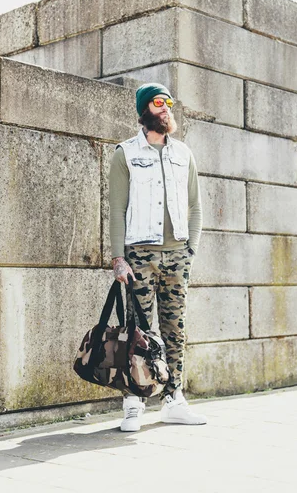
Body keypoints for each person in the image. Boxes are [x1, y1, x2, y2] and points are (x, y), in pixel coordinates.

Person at [109, 82, 207, 431]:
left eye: (168, 102)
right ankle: (134, 402)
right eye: (157, 102)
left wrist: (190, 249)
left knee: (174, 330)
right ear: (144, 110)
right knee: (138, 331)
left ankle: (173, 398)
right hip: (139, 255)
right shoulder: (125, 154)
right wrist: (118, 258)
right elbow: (117, 209)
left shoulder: (183, 153)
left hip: (177, 254)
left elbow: (196, 207)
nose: (166, 107)